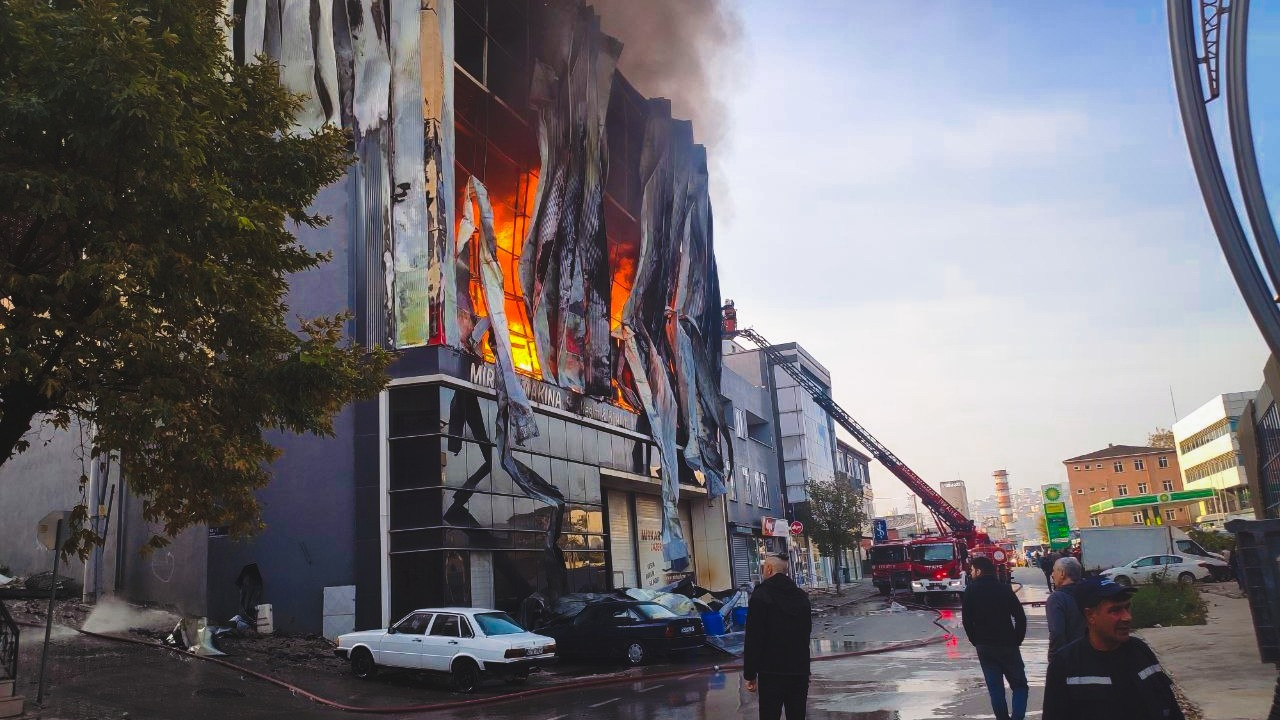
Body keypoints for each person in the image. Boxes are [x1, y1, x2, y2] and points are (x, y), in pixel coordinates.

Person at [1042, 576, 1185, 720]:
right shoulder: (1065, 665)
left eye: (1127, 607)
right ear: (1090, 615)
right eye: (1116, 610)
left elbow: (1171, 710)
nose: (1127, 617)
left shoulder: (1141, 652)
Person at [744, 555, 812, 720]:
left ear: (768, 569)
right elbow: (806, 633)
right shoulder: (801, 597)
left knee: (769, 714)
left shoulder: (761, 595)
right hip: (799, 671)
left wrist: (750, 674)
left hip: (771, 671)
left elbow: (754, 637)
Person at [962, 556, 1029, 720]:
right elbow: (1020, 617)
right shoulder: (1004, 589)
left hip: (984, 646)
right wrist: (1017, 640)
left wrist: (975, 640)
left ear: (978, 571)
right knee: (1020, 686)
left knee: (995, 689)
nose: (971, 573)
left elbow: (966, 621)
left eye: (972, 570)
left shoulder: (970, 590)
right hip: (1007, 644)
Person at [1046, 556, 1086, 659]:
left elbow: (1057, 633)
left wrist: (1054, 660)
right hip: (1094, 656)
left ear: (1062, 573)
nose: (1052, 574)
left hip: (1071, 658)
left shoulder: (1057, 598)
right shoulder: (1090, 592)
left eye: (1054, 571)